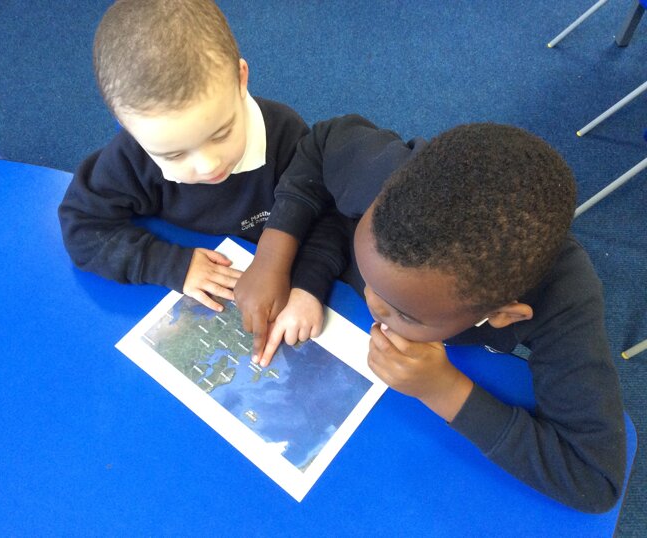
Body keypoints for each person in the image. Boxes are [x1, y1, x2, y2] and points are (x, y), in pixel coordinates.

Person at [234, 115, 626, 513]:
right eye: (368, 275)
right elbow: (321, 143)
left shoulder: (564, 299)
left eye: (403, 314)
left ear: (503, 316)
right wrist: (272, 258)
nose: (371, 301)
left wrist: (440, 388)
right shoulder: (378, 175)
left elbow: (594, 479)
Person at [59, 0, 344, 342]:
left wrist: (307, 288)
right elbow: (82, 227)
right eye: (174, 154)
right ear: (127, 126)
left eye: (221, 134)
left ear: (241, 78)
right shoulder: (131, 158)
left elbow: (329, 215)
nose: (209, 165)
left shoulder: (285, 135)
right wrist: (173, 266)